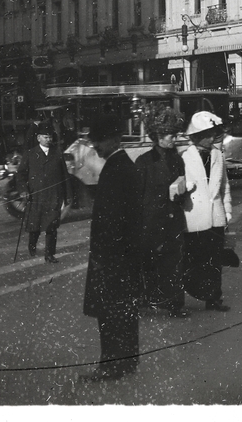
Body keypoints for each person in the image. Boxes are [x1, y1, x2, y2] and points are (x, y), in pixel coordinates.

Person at [80, 113, 145, 381]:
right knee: (125, 312)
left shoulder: (116, 168)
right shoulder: (123, 165)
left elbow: (113, 220)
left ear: (113, 139)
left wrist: (104, 257)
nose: (95, 146)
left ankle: (110, 366)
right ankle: (127, 362)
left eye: (99, 141)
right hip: (125, 256)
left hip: (112, 257)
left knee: (110, 315)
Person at [137, 108, 190, 317]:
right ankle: (144, 301)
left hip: (173, 220)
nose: (175, 138)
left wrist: (183, 191)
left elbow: (182, 185)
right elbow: (137, 197)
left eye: (176, 134)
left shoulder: (177, 159)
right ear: (159, 136)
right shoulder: (144, 162)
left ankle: (175, 305)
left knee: (174, 263)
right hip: (150, 221)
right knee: (148, 263)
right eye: (171, 135)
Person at [180, 111, 233, 312]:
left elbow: (224, 186)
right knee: (193, 260)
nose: (212, 138)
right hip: (194, 217)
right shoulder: (184, 157)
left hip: (216, 216)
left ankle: (214, 299)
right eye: (208, 134)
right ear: (196, 136)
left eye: (214, 134)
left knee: (214, 261)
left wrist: (227, 211)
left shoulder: (218, 155)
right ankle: (189, 294)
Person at [15, 125, 75, 264]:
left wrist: (68, 196)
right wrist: (23, 190)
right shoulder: (30, 154)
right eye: (45, 137)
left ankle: (49, 254)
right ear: (38, 138)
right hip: (35, 196)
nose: (48, 139)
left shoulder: (57, 153)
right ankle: (32, 245)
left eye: (50, 137)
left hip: (54, 196)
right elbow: (21, 176)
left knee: (51, 226)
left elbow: (65, 176)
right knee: (34, 226)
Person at [65, 126, 103, 213]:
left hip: (89, 176)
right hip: (84, 175)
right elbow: (68, 154)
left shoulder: (81, 145)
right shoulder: (79, 144)